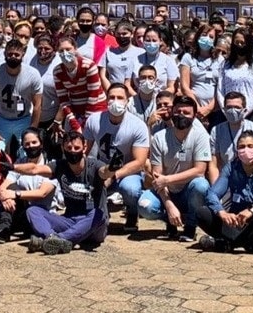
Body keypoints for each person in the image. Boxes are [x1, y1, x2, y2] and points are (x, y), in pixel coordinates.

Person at [196, 131, 253, 254]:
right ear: (237, 150)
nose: (246, 150)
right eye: (242, 147)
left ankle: (227, 243)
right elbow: (212, 193)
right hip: (235, 222)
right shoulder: (231, 168)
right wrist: (221, 212)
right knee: (202, 213)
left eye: (250, 146)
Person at [137, 94, 212, 240]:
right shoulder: (159, 137)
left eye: (186, 112)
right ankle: (170, 220)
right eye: (178, 111)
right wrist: (169, 205)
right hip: (166, 191)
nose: (181, 115)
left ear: (194, 116)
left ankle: (190, 226)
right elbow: (157, 178)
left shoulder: (201, 136)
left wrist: (167, 179)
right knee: (144, 206)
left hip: (188, 191)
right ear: (172, 112)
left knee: (201, 185)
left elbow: (200, 170)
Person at [24, 130, 108, 254]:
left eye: (76, 148)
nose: (73, 151)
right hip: (69, 221)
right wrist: (13, 167)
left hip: (93, 226)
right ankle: (52, 238)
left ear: (84, 148)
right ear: (63, 148)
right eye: (69, 148)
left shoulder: (94, 165)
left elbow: (105, 172)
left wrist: (112, 168)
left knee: (98, 214)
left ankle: (57, 239)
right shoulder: (60, 166)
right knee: (33, 210)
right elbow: (35, 169)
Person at [83, 83, 151, 232]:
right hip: (103, 168)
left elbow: (140, 162)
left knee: (131, 189)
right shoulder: (94, 120)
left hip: (128, 172)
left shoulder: (138, 126)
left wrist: (113, 176)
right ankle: (96, 213)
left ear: (127, 101)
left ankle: (132, 212)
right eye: (111, 97)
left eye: (120, 98)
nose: (115, 101)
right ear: (106, 99)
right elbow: (84, 151)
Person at [0, 127, 54, 242]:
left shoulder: (51, 165)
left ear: (41, 144)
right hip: (22, 209)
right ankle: (3, 231)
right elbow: (3, 187)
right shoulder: (19, 163)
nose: (31, 146)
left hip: (41, 212)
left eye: (34, 142)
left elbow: (42, 193)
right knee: (8, 198)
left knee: (14, 198)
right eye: (27, 144)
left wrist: (16, 194)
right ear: (23, 146)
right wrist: (6, 198)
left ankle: (0, 225)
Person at [0, 38, 43, 151]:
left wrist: (33, 130)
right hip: (1, 118)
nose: (13, 57)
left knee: (28, 151)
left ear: (23, 54)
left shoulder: (33, 74)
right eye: (10, 54)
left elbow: (37, 105)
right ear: (5, 54)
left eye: (17, 54)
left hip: (24, 119)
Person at [207, 91, 253, 185]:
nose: (233, 110)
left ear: (244, 110)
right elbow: (214, 165)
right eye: (229, 107)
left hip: (249, 177)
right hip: (226, 178)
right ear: (224, 110)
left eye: (237, 107)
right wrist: (216, 188)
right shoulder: (216, 130)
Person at [52, 38, 107, 129]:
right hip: (76, 110)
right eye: (61, 51)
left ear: (75, 49)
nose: (65, 53)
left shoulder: (89, 66)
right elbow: (64, 100)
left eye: (68, 49)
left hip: (96, 107)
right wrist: (74, 123)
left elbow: (93, 95)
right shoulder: (57, 72)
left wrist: (85, 123)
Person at [179, 25, 222, 121]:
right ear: (198, 36)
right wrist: (197, 108)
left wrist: (209, 108)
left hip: (215, 110)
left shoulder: (219, 59)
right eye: (204, 35)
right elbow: (184, 86)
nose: (207, 38)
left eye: (211, 37)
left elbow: (221, 87)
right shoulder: (188, 57)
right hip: (194, 109)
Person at [103, 22, 144, 95]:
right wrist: (111, 92)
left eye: (124, 34)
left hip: (135, 94)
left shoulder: (141, 52)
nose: (121, 36)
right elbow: (103, 75)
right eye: (118, 34)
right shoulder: (108, 52)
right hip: (114, 94)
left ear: (131, 34)